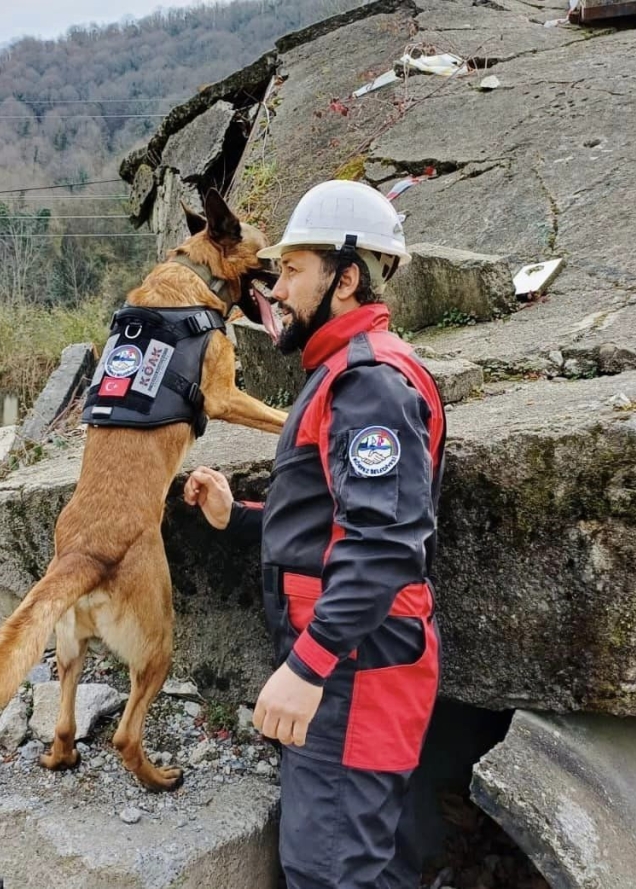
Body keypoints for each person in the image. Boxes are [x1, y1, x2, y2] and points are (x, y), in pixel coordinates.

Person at [183, 179, 446, 889]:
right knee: (370, 861)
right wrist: (236, 518)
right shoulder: (339, 373)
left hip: (353, 663)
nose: (277, 288)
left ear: (348, 276)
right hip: (352, 657)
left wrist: (307, 667)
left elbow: (384, 544)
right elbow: (338, 524)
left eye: (295, 269)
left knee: (330, 870)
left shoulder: (369, 383)